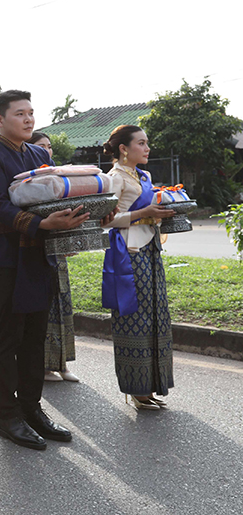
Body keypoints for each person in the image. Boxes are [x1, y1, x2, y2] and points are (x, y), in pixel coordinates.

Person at [0, 89, 96, 451]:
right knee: (10, 334)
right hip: (6, 255)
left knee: (36, 334)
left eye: (30, 113)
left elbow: (57, 196)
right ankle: (8, 417)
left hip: (42, 253)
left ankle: (32, 409)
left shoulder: (39, 153)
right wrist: (42, 225)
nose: (28, 119)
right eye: (19, 114)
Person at [101, 125, 176, 410]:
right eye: (141, 143)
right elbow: (107, 221)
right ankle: (136, 389)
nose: (147, 148)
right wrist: (144, 213)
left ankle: (152, 384)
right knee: (135, 317)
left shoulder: (144, 176)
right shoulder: (113, 178)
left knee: (157, 314)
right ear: (124, 148)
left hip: (151, 249)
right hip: (129, 253)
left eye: (147, 143)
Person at [29, 132, 80, 383]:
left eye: (48, 147)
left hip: (59, 249)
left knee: (63, 304)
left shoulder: (59, 180)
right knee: (45, 310)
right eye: (41, 147)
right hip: (39, 248)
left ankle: (62, 363)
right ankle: (44, 366)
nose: (46, 151)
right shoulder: (29, 183)